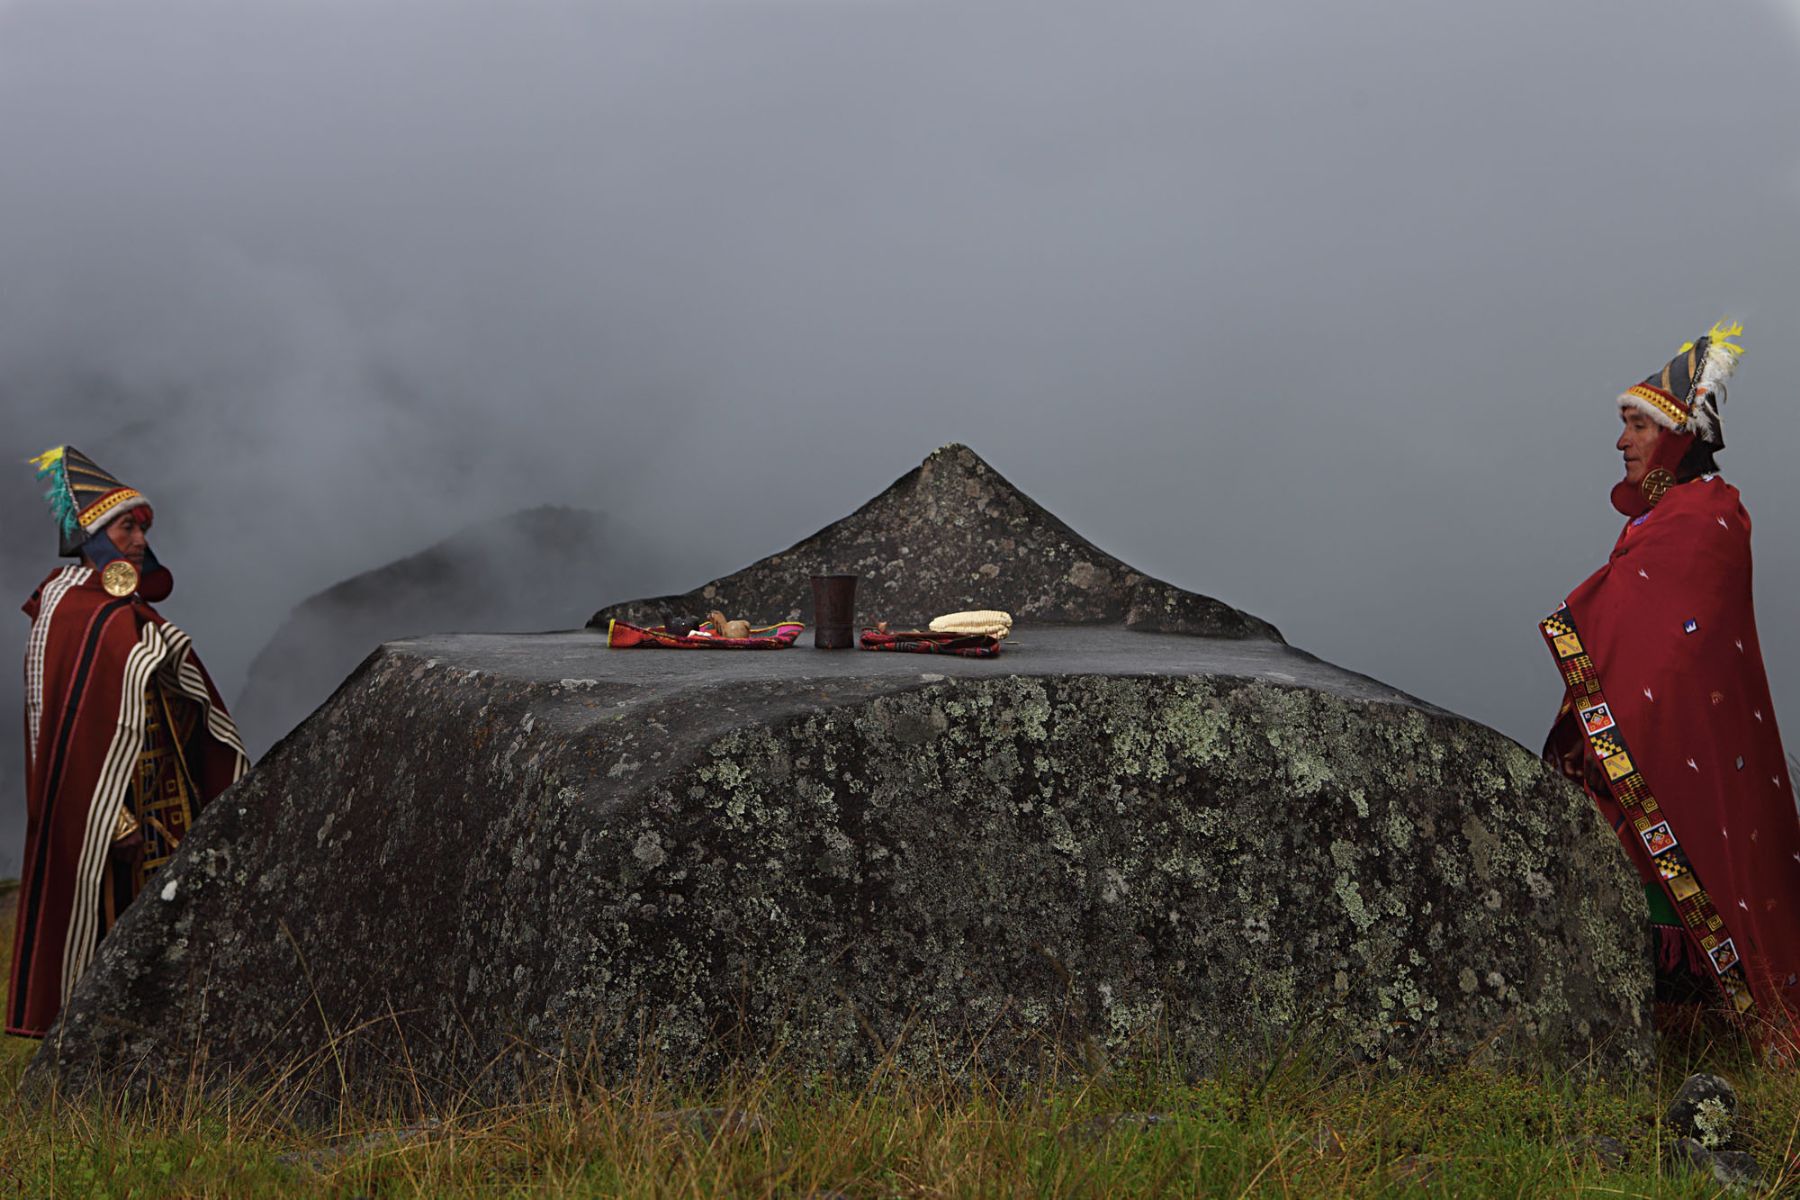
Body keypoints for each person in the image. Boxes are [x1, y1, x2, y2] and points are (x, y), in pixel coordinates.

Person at [1540, 322, 1800, 1052]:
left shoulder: (1710, 515)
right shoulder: (1662, 518)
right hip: (1640, 735)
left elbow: (1677, 649)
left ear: (1679, 435)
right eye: (1623, 424)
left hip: (1686, 744)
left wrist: (1584, 619)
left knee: (1690, 881)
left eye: (1637, 425)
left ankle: (1708, 1045)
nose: (1622, 441)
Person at [7, 446, 248, 1038]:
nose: (139, 539)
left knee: (177, 919)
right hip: (115, 806)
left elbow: (168, 693)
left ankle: (177, 1032)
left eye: (141, 528)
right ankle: (104, 1043)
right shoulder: (71, 612)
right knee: (113, 923)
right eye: (127, 526)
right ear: (95, 535)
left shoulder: (125, 608)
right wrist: (109, 814)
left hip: (169, 793)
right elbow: (65, 731)